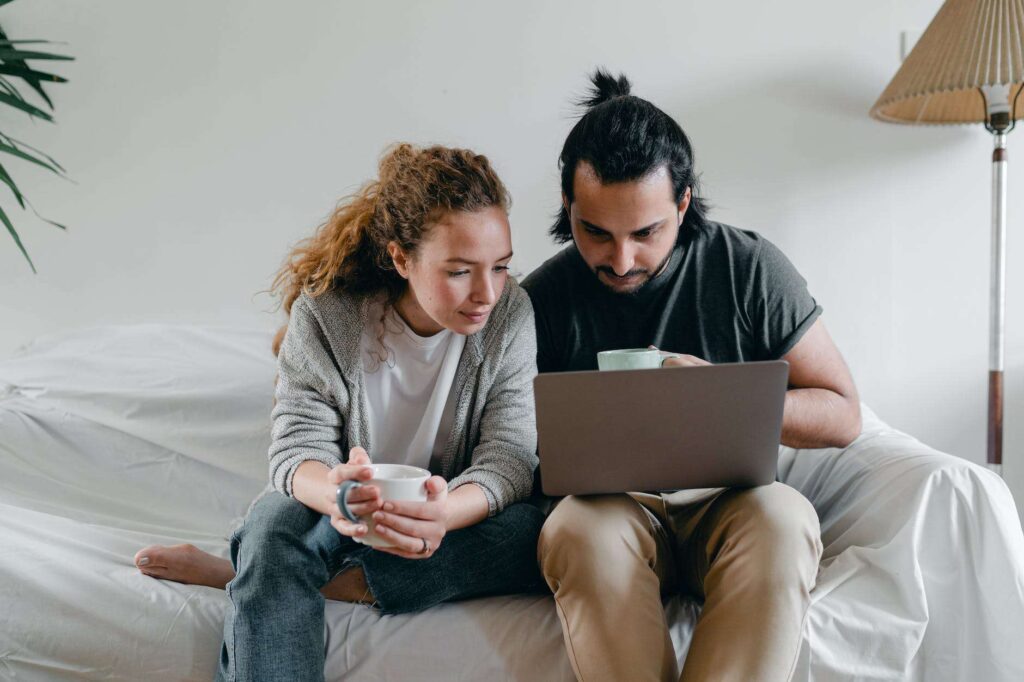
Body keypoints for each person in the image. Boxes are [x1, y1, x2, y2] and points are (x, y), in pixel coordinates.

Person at [133, 143, 546, 681]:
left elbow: (510, 457)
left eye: (501, 267)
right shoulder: (326, 312)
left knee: (530, 534)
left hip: (444, 515)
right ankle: (268, 567)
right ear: (402, 259)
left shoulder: (510, 314)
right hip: (337, 502)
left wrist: (443, 512)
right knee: (272, 530)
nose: (487, 292)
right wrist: (339, 495)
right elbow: (294, 451)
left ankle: (251, 577)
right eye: (460, 271)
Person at [520, 70, 862, 682]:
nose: (620, 261)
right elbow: (505, 439)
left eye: (645, 233)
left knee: (785, 519)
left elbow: (843, 413)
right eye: (594, 231)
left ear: (682, 202)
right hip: (611, 509)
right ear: (568, 206)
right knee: (575, 528)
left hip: (730, 506)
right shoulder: (542, 298)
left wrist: (718, 400)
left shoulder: (748, 268)